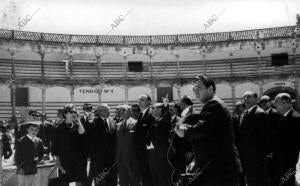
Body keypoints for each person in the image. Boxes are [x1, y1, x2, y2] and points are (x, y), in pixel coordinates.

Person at [175, 75, 242, 186]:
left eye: (199, 88)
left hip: (221, 169)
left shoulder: (213, 104)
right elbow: (207, 136)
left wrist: (185, 131)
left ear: (210, 89)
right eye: (194, 88)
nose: (196, 91)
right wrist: (196, 160)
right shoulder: (212, 104)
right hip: (220, 167)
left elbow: (201, 129)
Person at [239, 91, 271, 186]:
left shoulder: (259, 113)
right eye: (244, 97)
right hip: (247, 157)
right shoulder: (245, 113)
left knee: (259, 181)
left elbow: (265, 137)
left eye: (249, 97)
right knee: (251, 180)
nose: (245, 99)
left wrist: (262, 157)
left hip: (257, 158)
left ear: (256, 99)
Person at [269, 93, 300, 186]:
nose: (274, 105)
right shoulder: (283, 117)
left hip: (288, 163)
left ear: (284, 103)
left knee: (287, 183)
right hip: (280, 161)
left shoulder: (295, 118)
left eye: (276, 102)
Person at [52, 104, 86, 186]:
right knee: (64, 181)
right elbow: (55, 145)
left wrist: (78, 120)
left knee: (80, 179)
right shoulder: (59, 128)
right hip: (65, 159)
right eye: (71, 112)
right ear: (65, 114)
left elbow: (82, 132)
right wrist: (57, 160)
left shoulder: (77, 125)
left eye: (74, 111)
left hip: (77, 159)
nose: (73, 113)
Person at [89, 104, 117, 186]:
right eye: (106, 110)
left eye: (108, 109)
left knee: (112, 179)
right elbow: (92, 141)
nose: (109, 111)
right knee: (100, 180)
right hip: (99, 159)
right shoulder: (94, 122)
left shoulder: (113, 121)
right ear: (100, 112)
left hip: (112, 158)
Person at [147, 103, 172, 186]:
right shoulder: (153, 122)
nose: (151, 110)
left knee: (163, 179)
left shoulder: (163, 121)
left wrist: (165, 106)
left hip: (162, 156)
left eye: (153, 108)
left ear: (159, 110)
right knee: (155, 179)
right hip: (153, 155)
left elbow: (167, 118)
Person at [116, 105, 140, 186]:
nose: (122, 112)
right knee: (123, 181)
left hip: (133, 158)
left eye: (124, 110)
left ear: (130, 111)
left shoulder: (136, 123)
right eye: (121, 110)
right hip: (120, 159)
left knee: (134, 181)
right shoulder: (118, 125)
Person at [134, 94, 154, 186]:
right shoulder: (141, 115)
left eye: (142, 99)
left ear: (149, 102)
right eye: (139, 99)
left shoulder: (151, 113)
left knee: (149, 176)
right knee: (144, 176)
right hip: (140, 152)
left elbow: (152, 132)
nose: (139, 101)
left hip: (148, 152)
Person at [15, 121, 44, 186]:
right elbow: (17, 156)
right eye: (32, 129)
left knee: (29, 184)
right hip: (22, 166)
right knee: (21, 184)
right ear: (27, 130)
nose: (34, 131)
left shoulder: (39, 141)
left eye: (36, 130)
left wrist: (38, 159)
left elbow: (41, 153)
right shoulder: (22, 141)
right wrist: (19, 166)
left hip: (32, 166)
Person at [80, 103, 94, 186]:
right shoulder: (79, 120)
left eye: (89, 109)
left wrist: (91, 121)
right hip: (82, 150)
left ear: (91, 110)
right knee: (82, 169)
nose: (87, 111)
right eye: (85, 109)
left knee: (92, 170)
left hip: (92, 149)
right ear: (83, 110)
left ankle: (89, 183)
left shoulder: (94, 120)